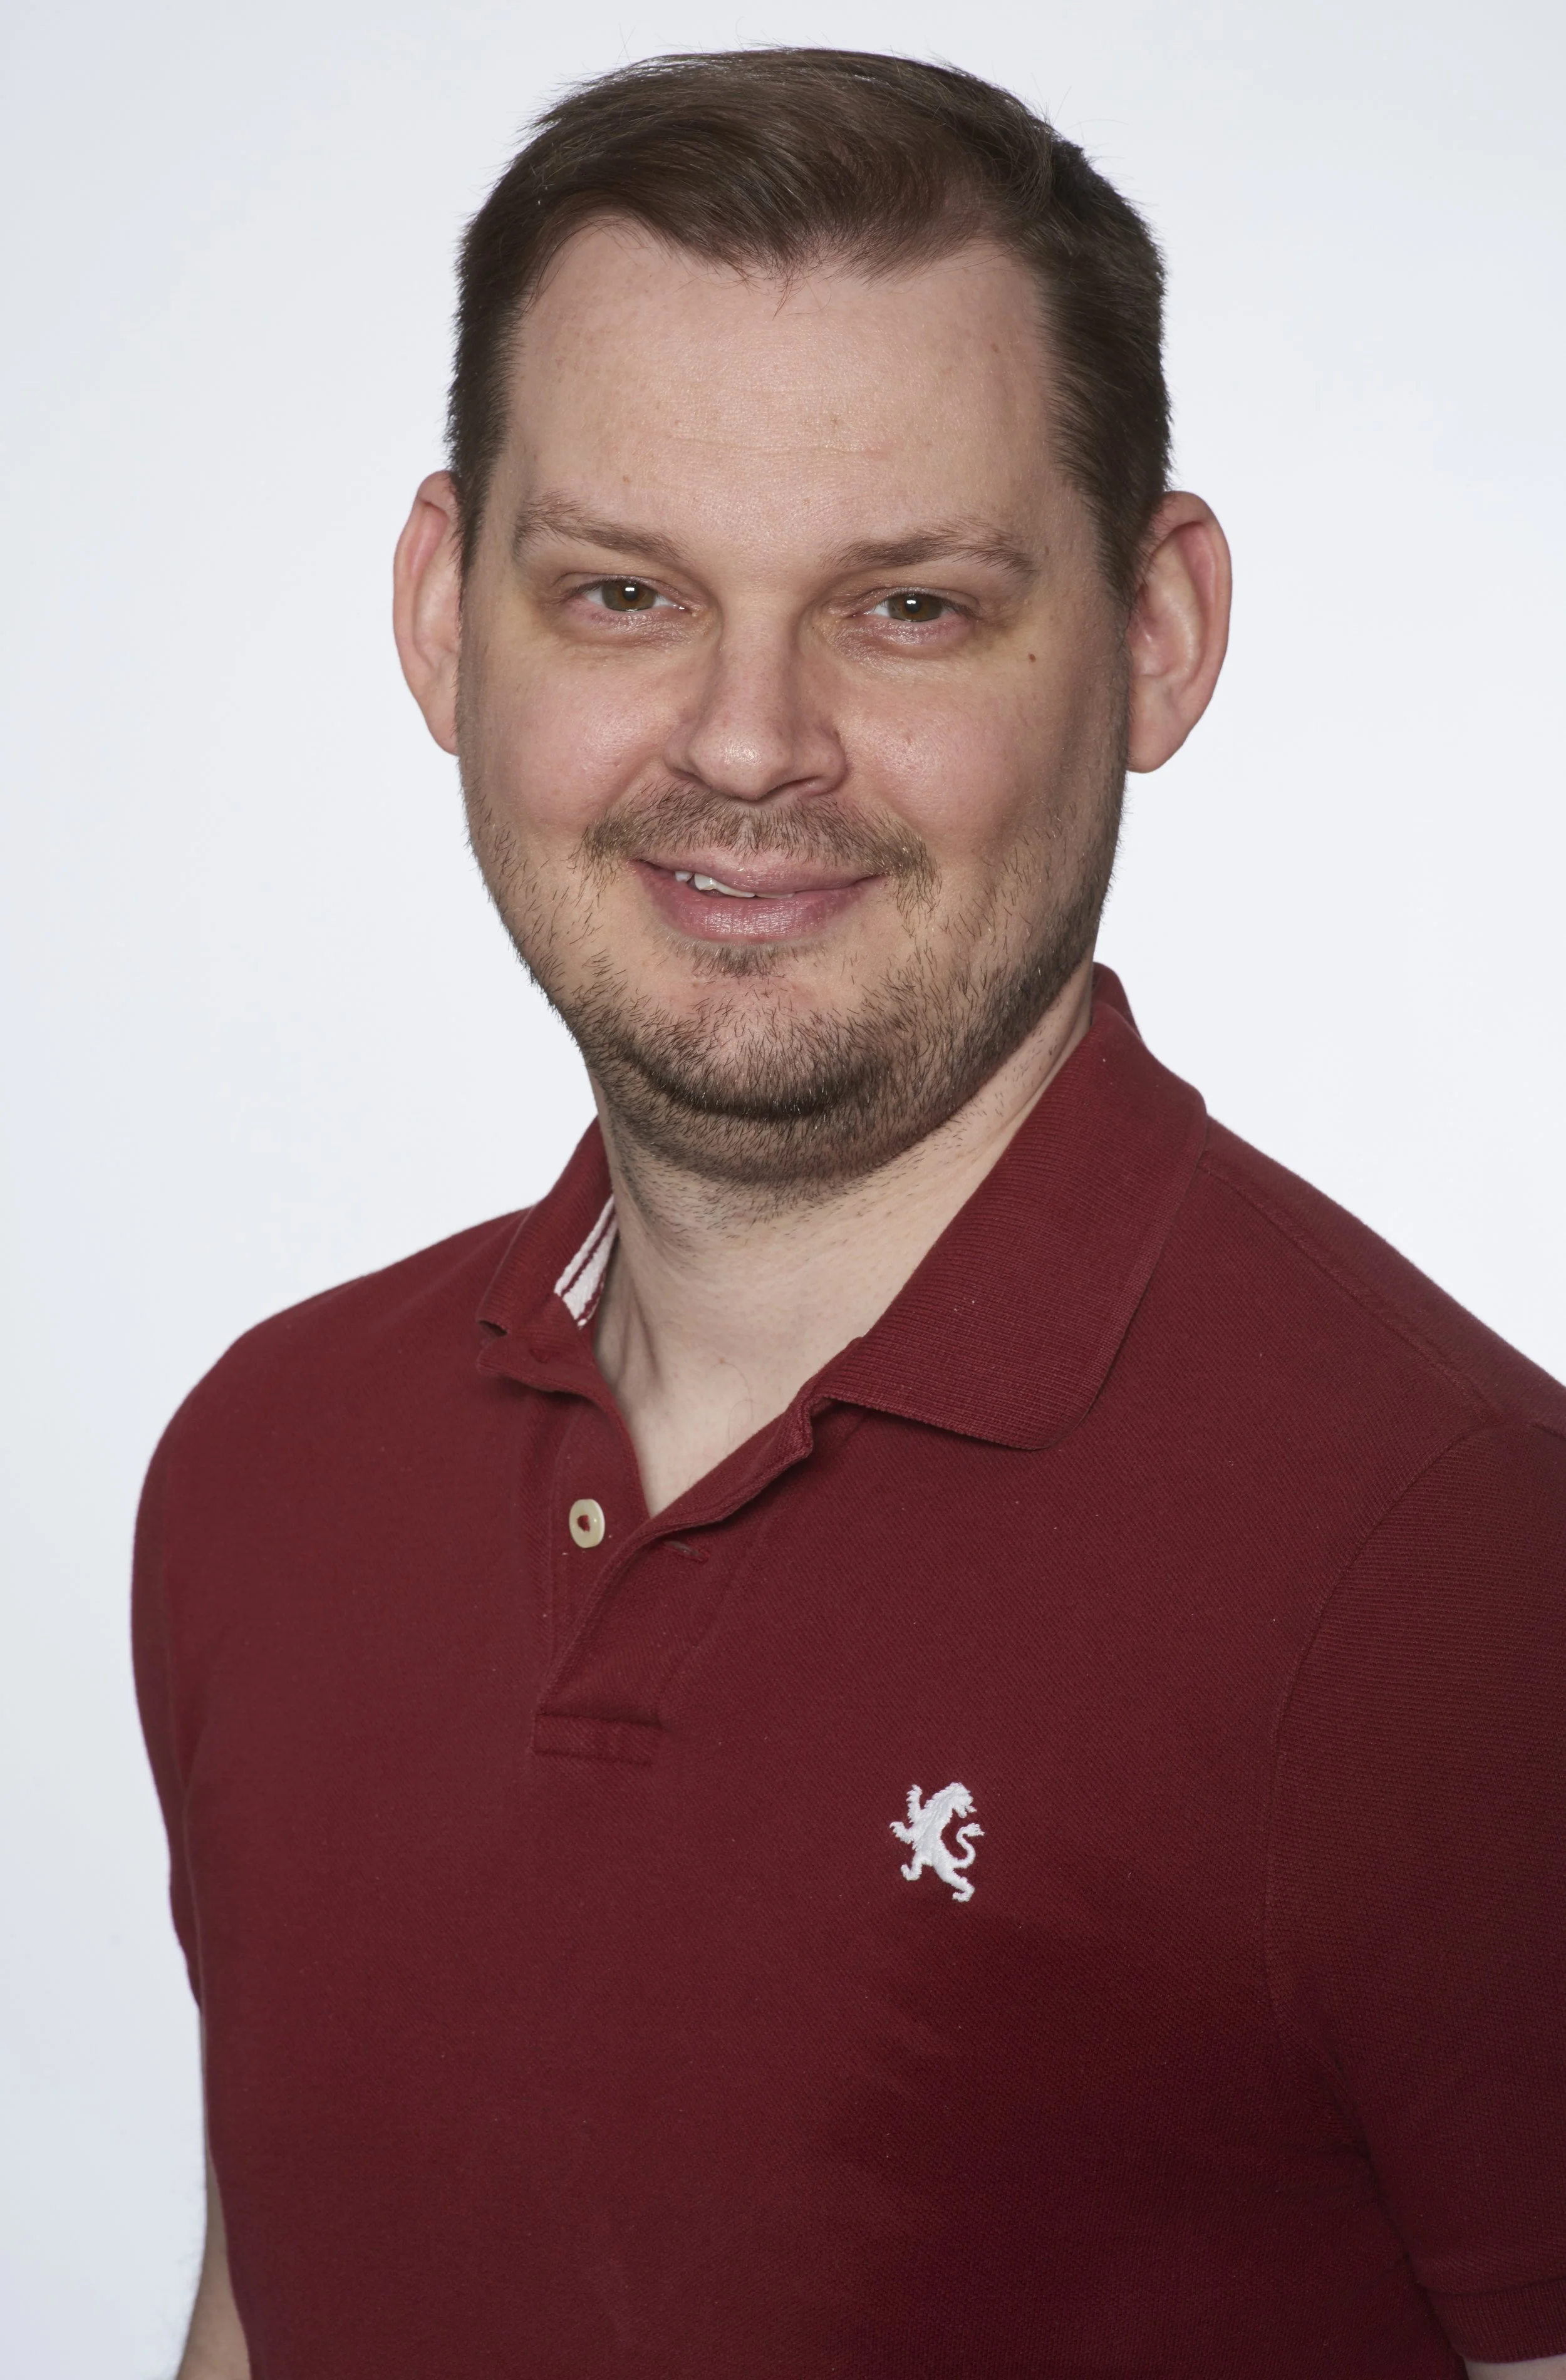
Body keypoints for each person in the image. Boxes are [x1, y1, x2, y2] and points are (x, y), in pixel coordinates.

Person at [133, 48, 1566, 2380]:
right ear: (439, 615)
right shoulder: (267, 1470)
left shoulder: (1464, 1596)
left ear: (1153, 636)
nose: (744, 741)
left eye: (905, 608)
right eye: (620, 591)